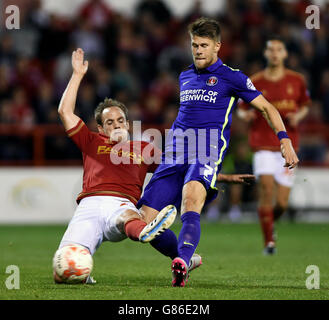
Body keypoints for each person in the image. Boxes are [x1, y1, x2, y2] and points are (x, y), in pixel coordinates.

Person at [53, 48, 253, 283]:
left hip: (121, 204)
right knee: (62, 272)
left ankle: (145, 230)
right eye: (109, 122)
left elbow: (180, 168)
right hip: (88, 206)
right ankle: (179, 255)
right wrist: (77, 75)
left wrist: (223, 178)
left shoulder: (144, 149)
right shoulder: (91, 141)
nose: (116, 125)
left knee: (128, 217)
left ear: (127, 124)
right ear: (101, 128)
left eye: (120, 120)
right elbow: (65, 112)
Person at [130, 17, 299, 287]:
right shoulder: (184, 75)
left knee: (190, 200)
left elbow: (268, 108)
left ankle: (181, 264)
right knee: (142, 224)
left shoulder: (233, 77)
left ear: (217, 46)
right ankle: (185, 256)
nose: (197, 50)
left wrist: (284, 139)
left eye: (203, 45)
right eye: (194, 45)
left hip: (206, 150)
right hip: (175, 152)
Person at [238, 36, 310, 254]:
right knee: (266, 189)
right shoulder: (256, 80)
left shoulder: (297, 80)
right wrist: (245, 116)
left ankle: (270, 223)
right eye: (271, 50)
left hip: (288, 145)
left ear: (285, 54)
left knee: (281, 203)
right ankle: (269, 242)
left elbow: (305, 105)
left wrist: (299, 117)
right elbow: (241, 108)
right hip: (262, 145)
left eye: (279, 49)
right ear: (266, 54)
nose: (275, 53)